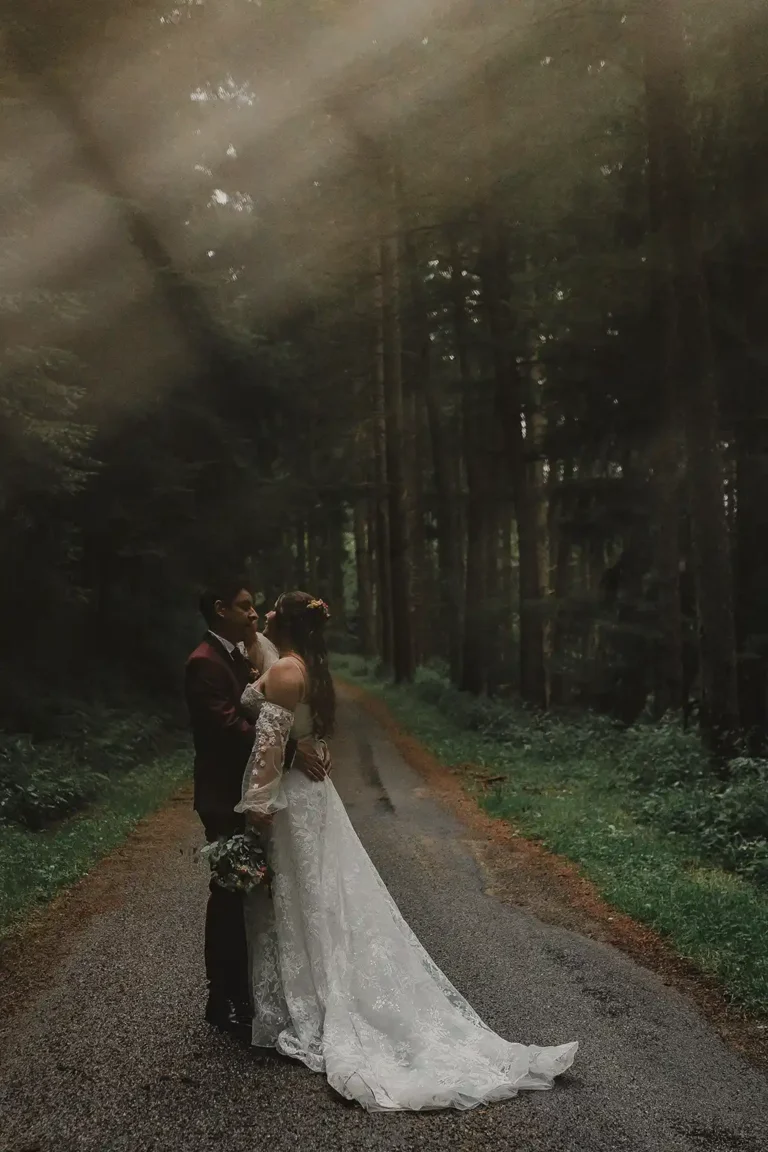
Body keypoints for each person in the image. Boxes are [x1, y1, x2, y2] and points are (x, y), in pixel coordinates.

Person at [236, 591, 578, 1112]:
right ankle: (308, 991)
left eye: (272, 608)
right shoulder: (303, 665)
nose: (266, 613)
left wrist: (255, 808)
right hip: (313, 798)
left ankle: (323, 1002)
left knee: (310, 898)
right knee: (321, 899)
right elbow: (278, 690)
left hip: (292, 804)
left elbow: (266, 751)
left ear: (285, 621)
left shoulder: (285, 670)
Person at [184, 579, 329, 1041]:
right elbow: (228, 727)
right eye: (245, 606)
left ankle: (253, 991)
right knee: (229, 893)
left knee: (262, 893)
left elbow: (284, 707)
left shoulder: (253, 652)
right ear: (220, 609)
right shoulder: (203, 663)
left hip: (258, 791)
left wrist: (302, 743)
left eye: (258, 608)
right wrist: (291, 752)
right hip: (226, 794)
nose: (254, 613)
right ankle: (221, 997)